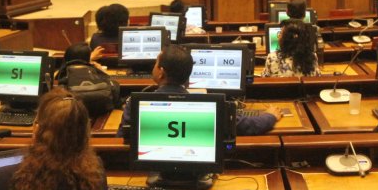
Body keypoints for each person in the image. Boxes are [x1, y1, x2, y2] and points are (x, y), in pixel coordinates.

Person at [119, 45, 281, 135]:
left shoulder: (135, 104)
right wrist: (270, 116)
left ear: (161, 72)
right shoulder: (208, 105)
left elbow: (121, 139)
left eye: (155, 63)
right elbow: (248, 125)